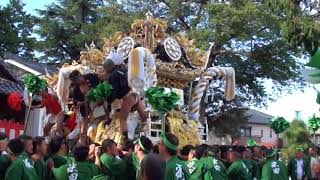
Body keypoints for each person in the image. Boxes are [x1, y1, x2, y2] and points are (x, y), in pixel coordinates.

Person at [95, 70, 148, 144]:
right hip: (133, 93)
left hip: (127, 98)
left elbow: (114, 94)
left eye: (103, 73)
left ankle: (126, 141)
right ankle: (147, 129)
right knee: (143, 114)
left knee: (122, 119)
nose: (101, 75)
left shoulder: (112, 79)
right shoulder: (119, 72)